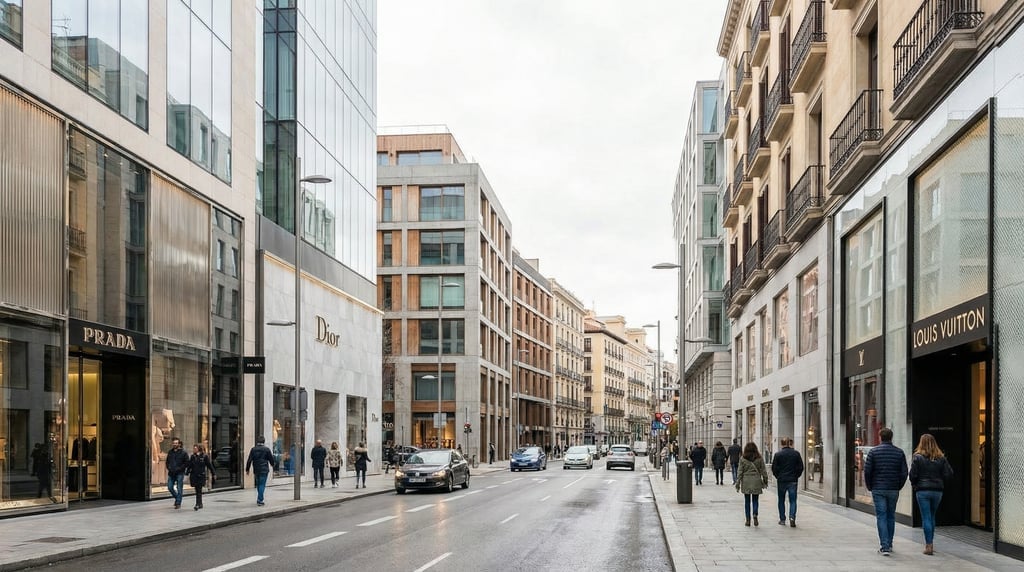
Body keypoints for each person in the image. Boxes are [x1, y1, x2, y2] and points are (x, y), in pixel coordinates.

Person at [864, 427, 908, 556]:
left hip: (878, 488)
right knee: (891, 516)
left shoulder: (873, 452)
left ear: (880, 437)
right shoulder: (899, 452)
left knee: (881, 516)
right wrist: (899, 485)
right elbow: (904, 472)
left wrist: (870, 485)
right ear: (891, 437)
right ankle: (889, 542)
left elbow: (867, 471)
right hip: (893, 488)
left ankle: (884, 546)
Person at [910, 433, 953, 556]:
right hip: (937, 490)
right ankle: (931, 543)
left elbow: (912, 474)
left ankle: (929, 544)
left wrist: (915, 484)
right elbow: (949, 474)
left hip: (922, 490)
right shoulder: (941, 458)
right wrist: (940, 480)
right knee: (932, 516)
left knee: (926, 517)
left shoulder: (917, 457)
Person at [771, 437, 804, 527]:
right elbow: (801, 467)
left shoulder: (778, 454)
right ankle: (792, 517)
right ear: (790, 443)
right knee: (793, 500)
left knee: (781, 500)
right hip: (792, 480)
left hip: (782, 480)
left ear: (781, 444)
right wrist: (796, 476)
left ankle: (782, 519)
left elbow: (774, 468)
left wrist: (777, 476)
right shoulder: (796, 454)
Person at [736, 442, 769, 527]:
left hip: (746, 481)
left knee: (747, 501)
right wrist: (765, 480)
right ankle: (755, 514)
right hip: (756, 481)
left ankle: (747, 519)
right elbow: (763, 471)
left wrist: (738, 483)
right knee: (755, 500)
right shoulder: (759, 458)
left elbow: (740, 472)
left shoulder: (742, 458)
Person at [245, 435, 277, 506]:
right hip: (264, 469)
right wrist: (272, 464)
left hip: (256, 469)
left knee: (259, 484)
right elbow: (271, 459)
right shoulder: (266, 449)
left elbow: (249, 460)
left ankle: (259, 498)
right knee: (262, 484)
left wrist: (247, 469)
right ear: (264, 441)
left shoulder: (253, 449)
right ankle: (260, 500)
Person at [186, 443, 216, 510]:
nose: (194, 449)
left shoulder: (204, 457)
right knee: (197, 490)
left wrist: (213, 473)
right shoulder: (193, 456)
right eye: (193, 448)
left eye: (195, 448)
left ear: (199, 449)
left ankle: (197, 504)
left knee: (199, 490)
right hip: (194, 475)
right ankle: (200, 503)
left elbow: (209, 465)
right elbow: (190, 465)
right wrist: (187, 472)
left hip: (201, 475)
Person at [165, 437, 190, 509]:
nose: (174, 444)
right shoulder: (170, 452)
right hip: (171, 473)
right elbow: (167, 462)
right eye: (173, 443)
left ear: (179, 444)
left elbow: (186, 463)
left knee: (179, 488)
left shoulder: (183, 453)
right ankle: (177, 498)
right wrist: (169, 467)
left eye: (176, 443)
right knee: (170, 487)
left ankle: (178, 503)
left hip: (180, 473)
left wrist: (180, 469)